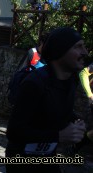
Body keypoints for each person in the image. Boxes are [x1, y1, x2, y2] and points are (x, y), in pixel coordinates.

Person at [5, 27, 89, 173]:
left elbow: (56, 109)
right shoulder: (34, 83)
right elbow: (14, 132)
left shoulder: (71, 80)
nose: (85, 52)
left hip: (48, 157)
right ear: (60, 51)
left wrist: (75, 121)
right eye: (78, 47)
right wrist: (59, 136)